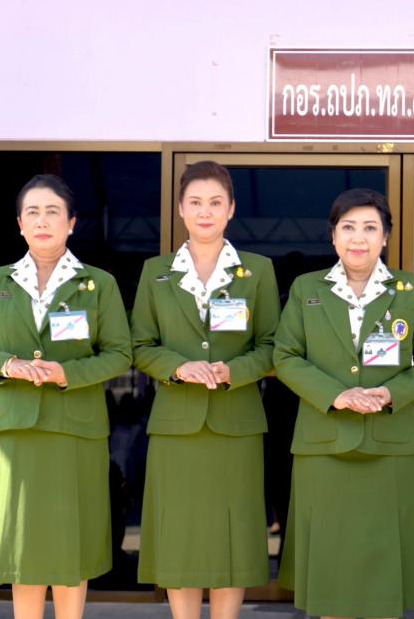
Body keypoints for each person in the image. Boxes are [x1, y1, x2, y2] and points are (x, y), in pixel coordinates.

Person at [0, 174, 132, 619]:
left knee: (72, 544)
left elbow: (120, 354)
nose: (42, 220)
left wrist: (68, 372)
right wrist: (7, 365)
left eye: (53, 211)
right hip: (16, 433)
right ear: (19, 224)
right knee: (23, 543)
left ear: (71, 222)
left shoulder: (98, 284)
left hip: (76, 431)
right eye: (32, 212)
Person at [273, 188, 414, 619]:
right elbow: (286, 357)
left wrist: (392, 393)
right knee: (331, 572)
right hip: (324, 446)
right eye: (348, 227)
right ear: (333, 235)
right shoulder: (306, 289)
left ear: (385, 237)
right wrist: (336, 395)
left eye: (370, 228)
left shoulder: (412, 289)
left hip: (392, 446)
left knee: (384, 575)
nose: (358, 237)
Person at [131, 161, 279, 619]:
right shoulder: (155, 272)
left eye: (216, 202)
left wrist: (233, 370)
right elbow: (138, 346)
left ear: (231, 208)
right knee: (181, 536)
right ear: (180, 209)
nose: (205, 211)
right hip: (176, 426)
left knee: (233, 538)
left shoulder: (257, 271)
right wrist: (179, 367)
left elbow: (273, 347)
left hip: (236, 425)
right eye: (195, 202)